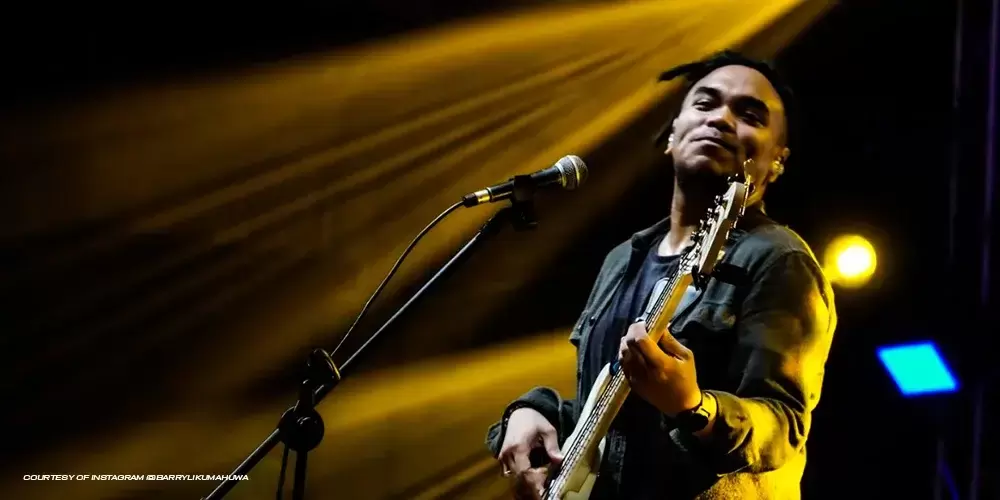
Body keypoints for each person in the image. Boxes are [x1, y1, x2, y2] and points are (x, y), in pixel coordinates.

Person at [484, 51, 837, 499]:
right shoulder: (622, 260)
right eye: (705, 103)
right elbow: (608, 419)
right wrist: (529, 413)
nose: (721, 119)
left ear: (778, 160)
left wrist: (694, 407)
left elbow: (783, 426)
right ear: (672, 133)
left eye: (749, 115)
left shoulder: (779, 259)